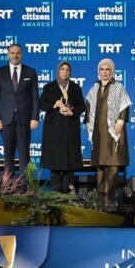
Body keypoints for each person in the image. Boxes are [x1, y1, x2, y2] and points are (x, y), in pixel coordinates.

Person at [85, 59, 131, 209]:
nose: (105, 72)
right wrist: (88, 125)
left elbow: (124, 105)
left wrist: (121, 121)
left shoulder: (118, 87)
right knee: (100, 163)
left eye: (107, 69)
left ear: (112, 71)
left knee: (113, 163)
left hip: (113, 131)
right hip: (99, 131)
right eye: (102, 69)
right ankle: (100, 195)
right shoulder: (94, 88)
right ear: (98, 71)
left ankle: (109, 195)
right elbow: (88, 108)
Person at [0, 44, 39, 174]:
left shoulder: (30, 72)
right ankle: (8, 185)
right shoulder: (0, 72)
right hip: (6, 119)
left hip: (25, 119)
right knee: (8, 155)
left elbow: (35, 97)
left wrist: (35, 117)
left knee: (24, 155)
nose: (15, 55)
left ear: (21, 54)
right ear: (8, 55)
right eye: (12, 53)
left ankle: (25, 185)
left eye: (18, 53)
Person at [39, 61, 86, 193]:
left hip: (70, 128)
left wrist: (72, 113)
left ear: (70, 72)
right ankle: (55, 191)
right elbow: (41, 103)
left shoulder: (75, 88)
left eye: (67, 70)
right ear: (58, 71)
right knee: (54, 160)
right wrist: (54, 105)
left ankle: (68, 189)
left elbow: (82, 106)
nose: (65, 72)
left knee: (69, 160)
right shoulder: (49, 87)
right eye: (62, 69)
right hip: (53, 129)